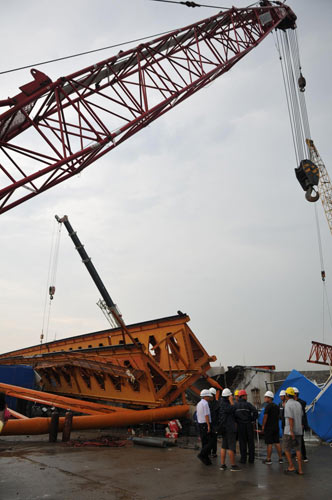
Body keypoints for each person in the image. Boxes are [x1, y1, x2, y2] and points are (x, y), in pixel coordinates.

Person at [218, 388, 241, 471]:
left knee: (224, 446)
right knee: (231, 447)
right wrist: (231, 401)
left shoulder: (221, 403)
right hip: (229, 428)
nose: (232, 396)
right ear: (228, 396)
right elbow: (233, 409)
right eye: (230, 395)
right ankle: (233, 465)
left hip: (224, 428)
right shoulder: (227, 405)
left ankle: (223, 465)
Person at [283, 387, 303, 475]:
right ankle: (300, 470)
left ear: (287, 395)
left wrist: (291, 430)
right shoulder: (298, 404)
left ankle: (291, 466)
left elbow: (290, 418)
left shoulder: (288, 404)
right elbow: (301, 415)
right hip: (299, 430)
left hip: (289, 431)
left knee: (286, 449)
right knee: (298, 450)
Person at [234, 389, 258, 464]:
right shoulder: (248, 404)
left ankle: (243, 459)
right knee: (250, 443)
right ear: (243, 396)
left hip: (240, 426)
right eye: (246, 395)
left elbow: (233, 415)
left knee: (242, 442)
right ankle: (251, 459)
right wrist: (252, 419)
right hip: (248, 425)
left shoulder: (236, 405)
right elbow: (255, 412)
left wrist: (237, 421)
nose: (247, 397)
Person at [262, 390, 283, 464]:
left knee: (269, 443)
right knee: (277, 442)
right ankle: (280, 459)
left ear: (269, 398)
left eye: (266, 397)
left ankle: (268, 459)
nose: (264, 398)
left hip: (269, 428)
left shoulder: (268, 407)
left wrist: (263, 426)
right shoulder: (276, 406)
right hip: (276, 427)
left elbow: (265, 417)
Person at [196, 389, 214, 465]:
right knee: (210, 443)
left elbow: (197, 415)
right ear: (205, 397)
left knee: (204, 442)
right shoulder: (205, 404)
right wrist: (208, 426)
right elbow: (206, 415)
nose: (210, 398)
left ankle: (205, 459)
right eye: (209, 396)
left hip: (200, 424)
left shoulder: (199, 404)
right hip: (205, 424)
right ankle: (201, 455)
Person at [293, 387, 309, 463]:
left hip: (300, 424)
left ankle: (303, 456)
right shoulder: (293, 402)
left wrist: (302, 424)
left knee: (300, 440)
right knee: (296, 440)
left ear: (295, 394)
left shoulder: (300, 403)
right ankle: (298, 455)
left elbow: (302, 415)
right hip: (295, 424)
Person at [208, 387, 220, 458]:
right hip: (212, 424)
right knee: (211, 439)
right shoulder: (210, 403)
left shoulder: (214, 404)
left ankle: (213, 452)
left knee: (213, 439)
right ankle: (211, 452)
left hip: (214, 424)